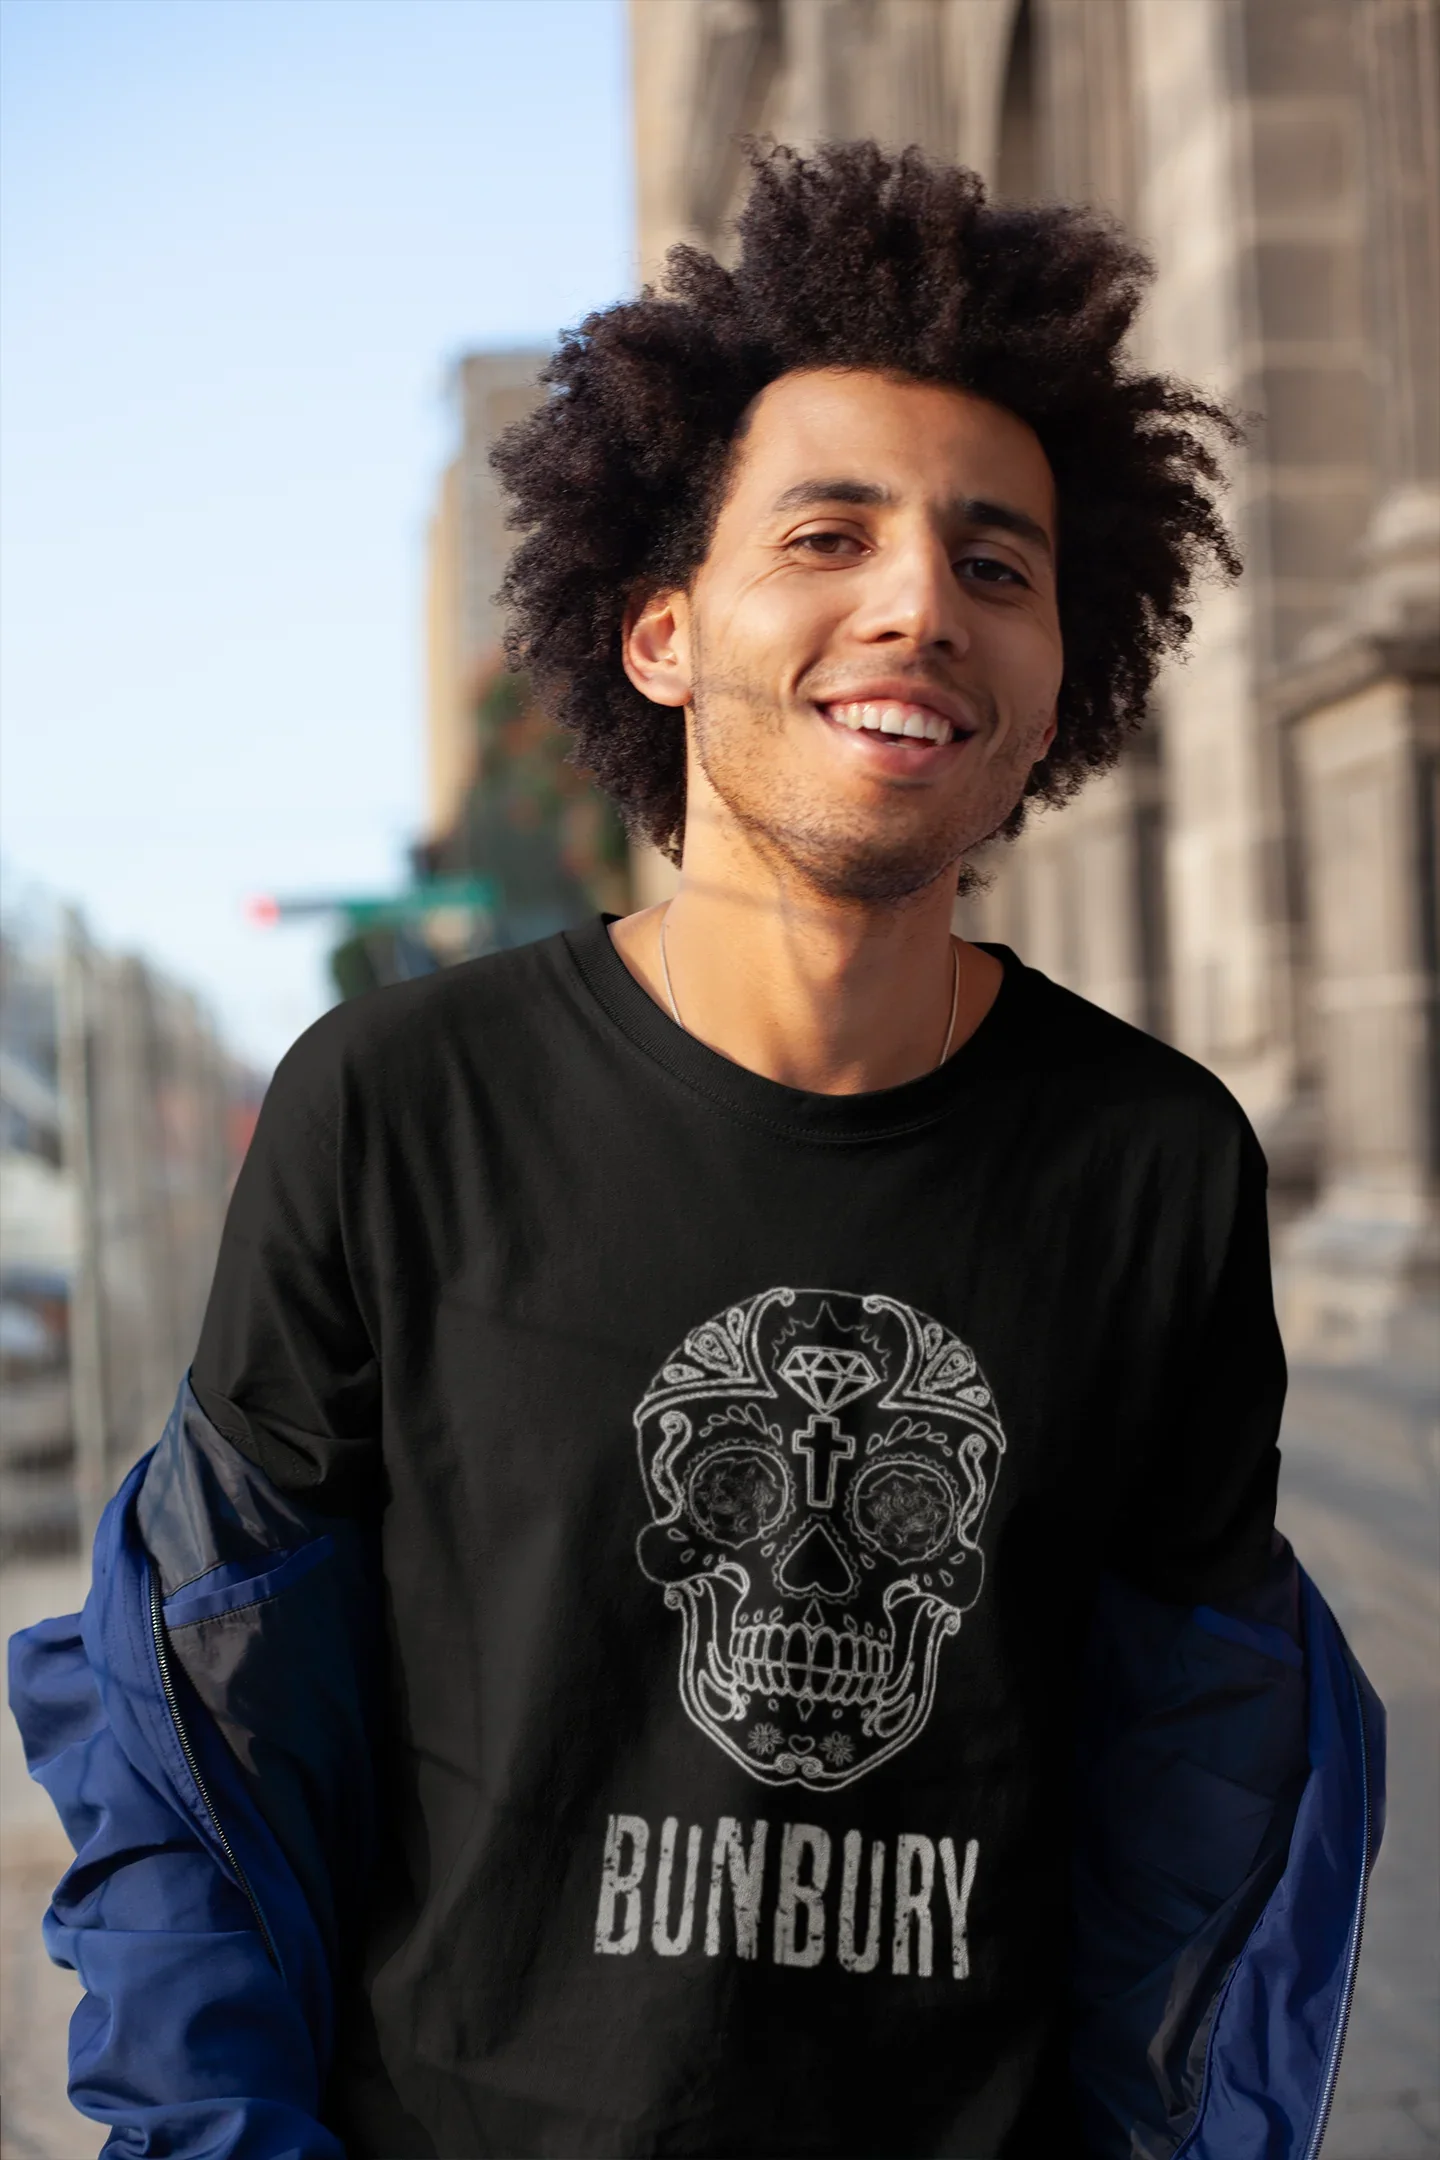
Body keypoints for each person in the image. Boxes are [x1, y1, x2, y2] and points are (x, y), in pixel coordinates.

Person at [10, 142, 1383, 2160]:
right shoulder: (396, 1108)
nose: (919, 604)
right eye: (829, 535)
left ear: (1051, 692)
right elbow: (199, 1739)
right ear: (660, 634)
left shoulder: (1158, 1167)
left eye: (997, 568)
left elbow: (1191, 1801)